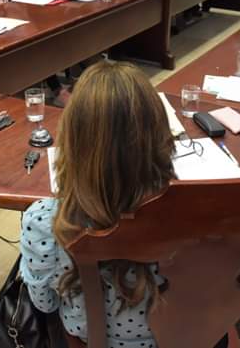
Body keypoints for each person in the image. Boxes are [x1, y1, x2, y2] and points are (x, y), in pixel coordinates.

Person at [20, 62, 170, 347]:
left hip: (90, 340)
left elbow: (44, 304)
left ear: (72, 139)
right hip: (182, 337)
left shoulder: (43, 221)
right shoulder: (190, 211)